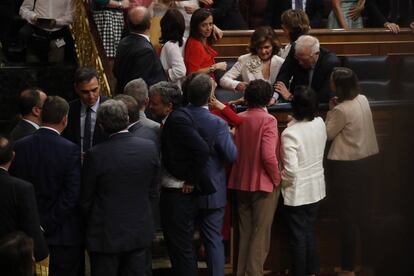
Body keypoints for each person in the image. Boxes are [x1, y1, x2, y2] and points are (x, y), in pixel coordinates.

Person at [161, 73, 237, 276]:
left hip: (183, 189)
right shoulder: (217, 123)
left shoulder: (177, 117)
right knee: (213, 241)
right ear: (209, 95)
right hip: (211, 190)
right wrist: (232, 137)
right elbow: (231, 155)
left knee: (185, 243)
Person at [81, 99, 159, 276]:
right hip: (139, 232)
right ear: (126, 119)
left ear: (101, 125)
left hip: (105, 236)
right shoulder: (149, 148)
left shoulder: (95, 155)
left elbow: (86, 200)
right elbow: (153, 191)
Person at [10, 96, 84, 276]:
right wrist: (47, 223)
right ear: (65, 119)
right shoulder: (70, 149)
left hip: (27, 234)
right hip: (62, 236)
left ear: (41, 116)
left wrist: (36, 224)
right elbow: (71, 195)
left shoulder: (19, 146)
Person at [325, 67, 379, 276]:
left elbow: (328, 134)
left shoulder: (340, 109)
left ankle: (347, 268)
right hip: (368, 163)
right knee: (366, 216)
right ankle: (368, 264)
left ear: (338, 86)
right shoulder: (363, 99)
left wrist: (330, 110)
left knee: (347, 218)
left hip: (347, 168)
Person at [228, 79, 280, 276]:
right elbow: (268, 155)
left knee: (245, 233)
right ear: (268, 100)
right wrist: (276, 179)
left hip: (240, 181)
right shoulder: (269, 120)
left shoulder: (238, 117)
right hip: (263, 184)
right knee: (260, 236)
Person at [280, 86, 327, 276]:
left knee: (298, 237)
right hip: (316, 189)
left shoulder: (289, 133)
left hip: (297, 192)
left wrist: (279, 179)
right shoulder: (320, 123)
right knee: (309, 232)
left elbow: (290, 171)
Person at [0, 136, 48, 262]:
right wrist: (41, 254)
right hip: (11, 257)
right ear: (13, 156)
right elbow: (31, 226)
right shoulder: (22, 188)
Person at [113, 6, 166, 93]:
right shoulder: (146, 50)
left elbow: (115, 71)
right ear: (150, 23)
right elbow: (140, 85)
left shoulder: (123, 42)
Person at [275, 35, 340, 104]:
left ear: (316, 54)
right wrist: (274, 96)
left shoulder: (330, 63)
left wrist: (291, 97)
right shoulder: (296, 51)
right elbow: (284, 74)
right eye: (298, 58)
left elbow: (323, 98)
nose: (299, 62)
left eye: (303, 60)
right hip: (294, 105)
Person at [220, 26, 284, 95]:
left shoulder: (281, 62)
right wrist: (237, 84)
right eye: (259, 48)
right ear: (254, 46)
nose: (263, 51)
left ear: (273, 46)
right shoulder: (244, 60)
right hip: (252, 104)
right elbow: (223, 80)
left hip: (276, 103)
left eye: (266, 47)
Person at [63, 67, 108, 154]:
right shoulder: (69, 109)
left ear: (100, 85)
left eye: (94, 90)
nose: (91, 96)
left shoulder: (111, 108)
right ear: (76, 89)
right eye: (85, 92)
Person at [184, 8, 227, 78]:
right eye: (204, 25)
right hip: (202, 85)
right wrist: (215, 67)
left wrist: (214, 27)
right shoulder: (195, 45)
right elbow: (192, 73)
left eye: (210, 24)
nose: (208, 28)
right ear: (196, 26)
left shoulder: (203, 38)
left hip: (211, 80)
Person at [160, 8, 187, 88]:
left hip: (173, 91)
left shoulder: (171, 45)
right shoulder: (183, 40)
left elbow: (180, 71)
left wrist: (164, 72)